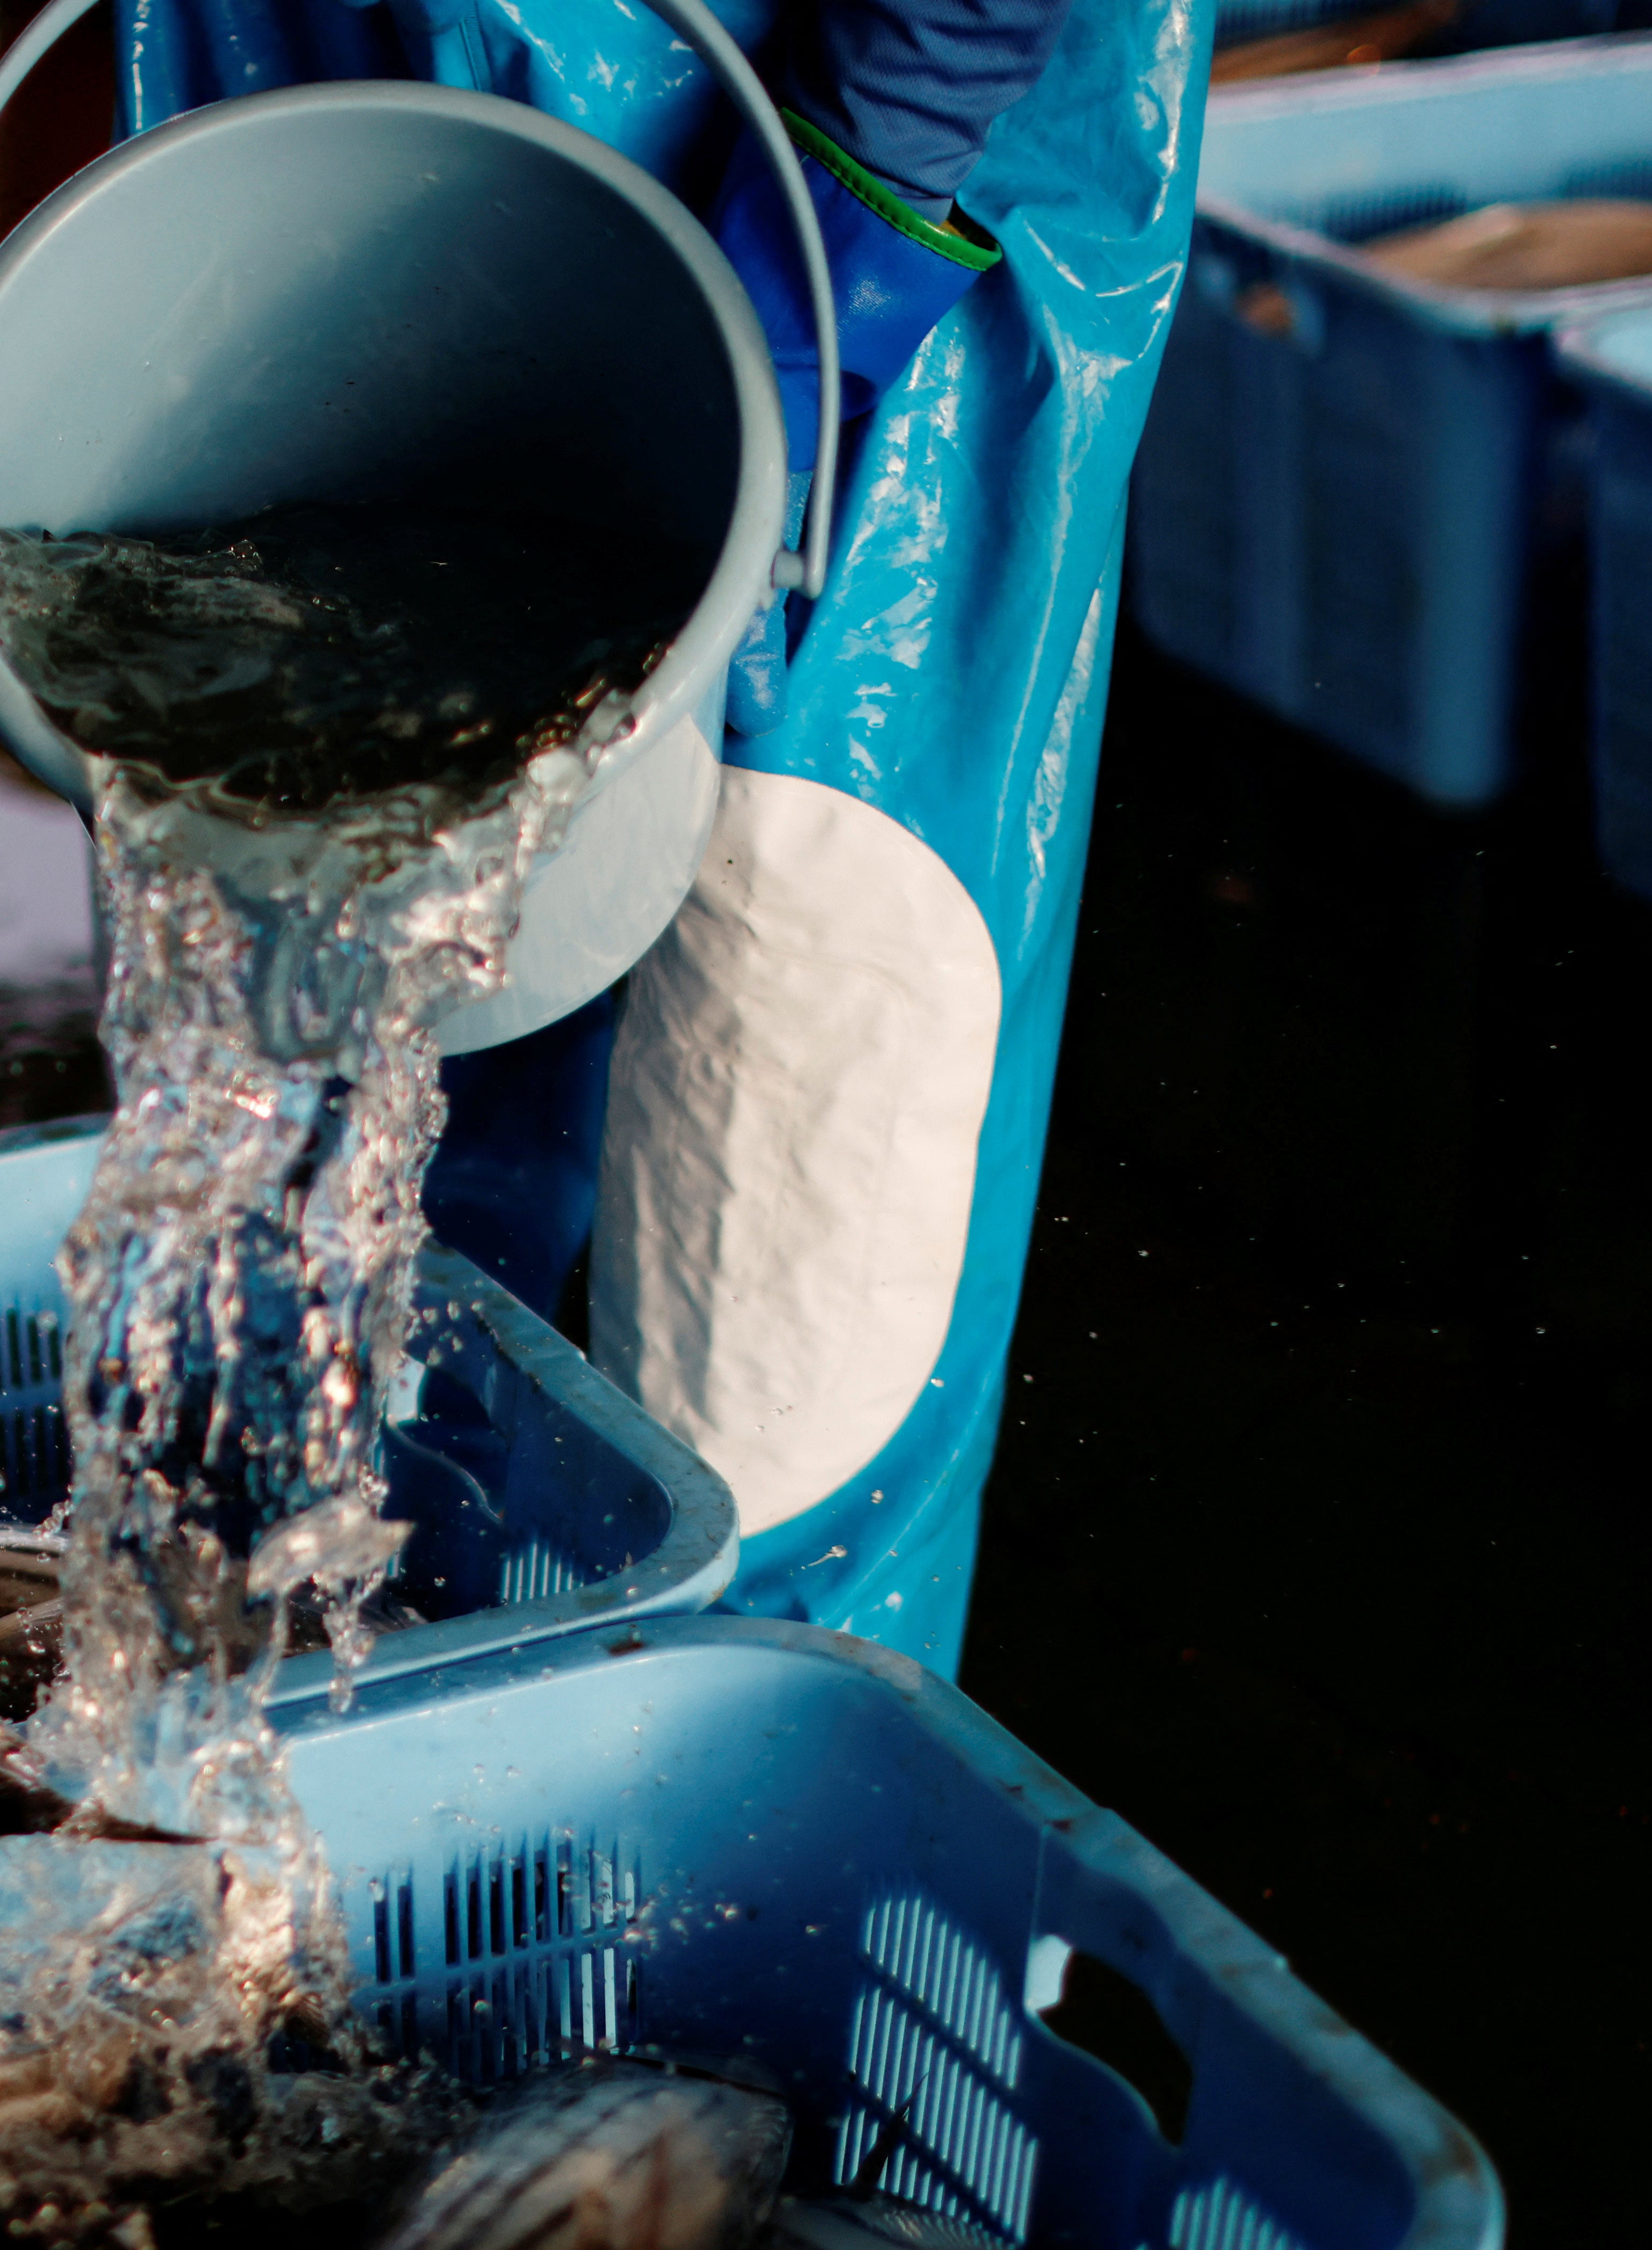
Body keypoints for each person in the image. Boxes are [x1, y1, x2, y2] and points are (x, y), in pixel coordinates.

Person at [122, 0, 1214, 1674]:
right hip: (354, 154)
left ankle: (733, 1836)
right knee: (343, 1190)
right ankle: (370, 1699)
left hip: (863, 213)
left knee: (797, 1245)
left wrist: (820, 261)